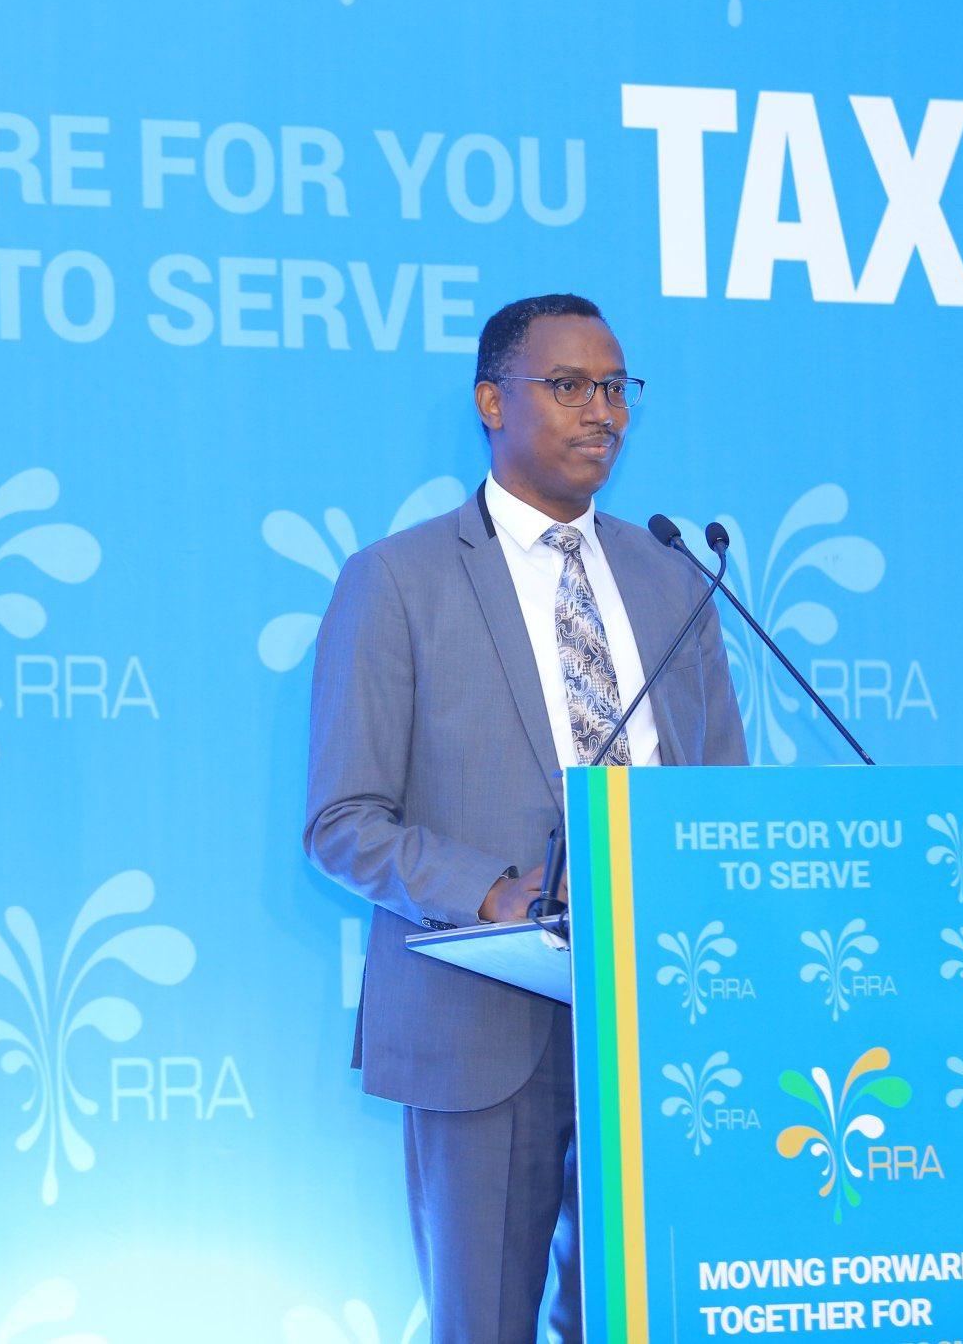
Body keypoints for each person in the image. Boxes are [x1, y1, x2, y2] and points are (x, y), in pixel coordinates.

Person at [304, 294, 747, 1343]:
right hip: (480, 1018)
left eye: (616, 388)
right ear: (491, 401)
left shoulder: (674, 576)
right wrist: (496, 895)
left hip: (662, 1019)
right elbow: (343, 821)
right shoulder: (396, 581)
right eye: (569, 386)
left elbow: (723, 796)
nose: (604, 412)